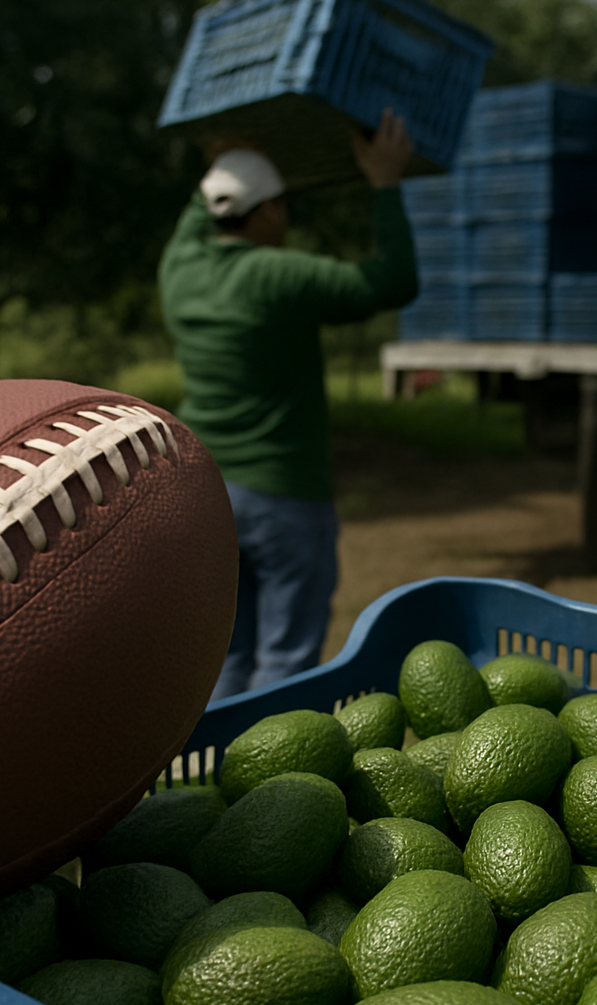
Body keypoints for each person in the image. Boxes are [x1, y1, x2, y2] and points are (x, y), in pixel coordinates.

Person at [158, 111, 417, 701]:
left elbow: (202, 209)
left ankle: (212, 783)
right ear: (271, 210)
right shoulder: (280, 275)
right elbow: (394, 281)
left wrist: (231, 158)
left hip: (209, 492)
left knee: (229, 653)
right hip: (285, 495)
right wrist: (385, 181)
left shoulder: (179, 270)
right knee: (287, 658)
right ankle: (268, 785)